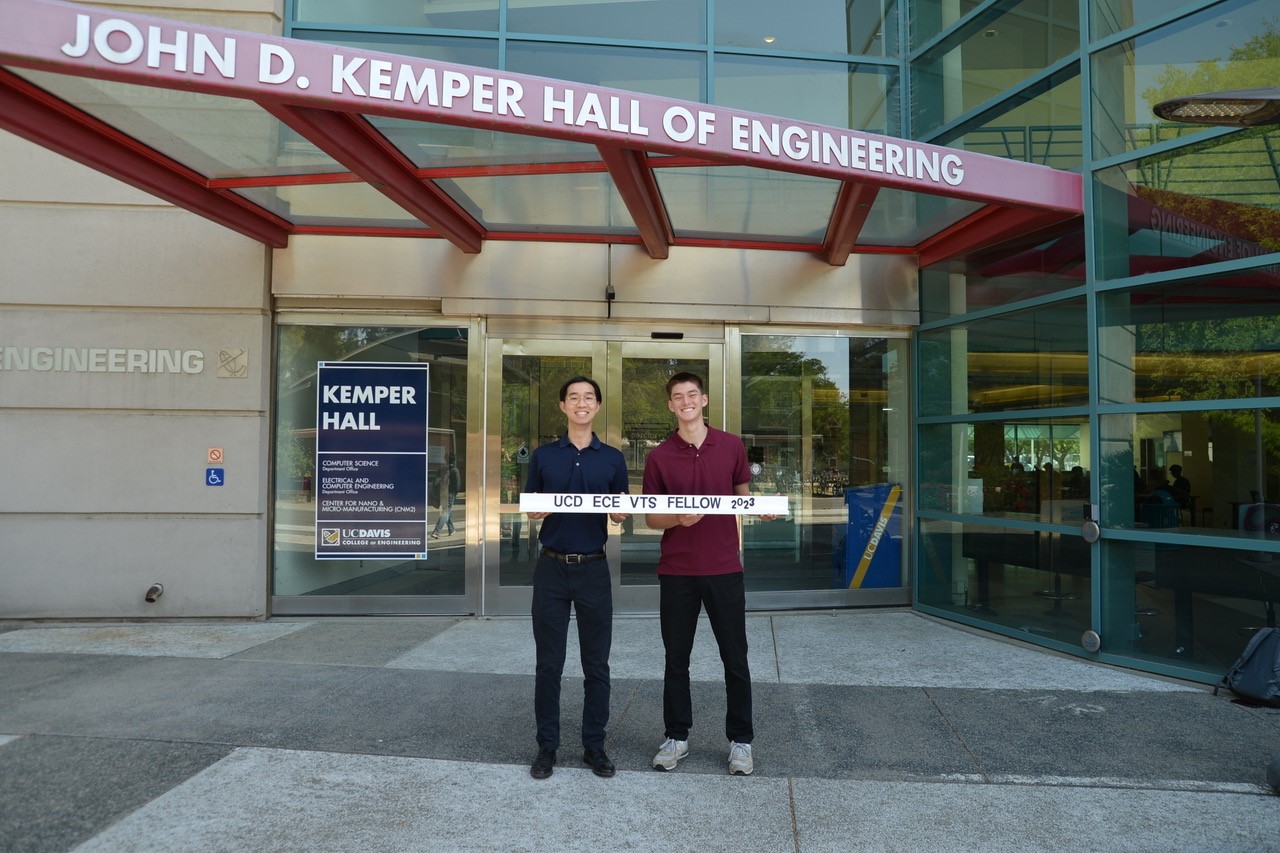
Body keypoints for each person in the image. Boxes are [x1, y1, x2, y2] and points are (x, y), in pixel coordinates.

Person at [643, 371, 769, 777]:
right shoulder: (659, 456)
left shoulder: (731, 446)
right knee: (676, 659)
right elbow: (650, 519)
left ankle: (741, 742)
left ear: (705, 399)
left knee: (735, 659)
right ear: (671, 406)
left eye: (692, 395)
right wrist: (678, 517)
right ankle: (676, 737)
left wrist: (757, 510)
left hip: (724, 568)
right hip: (677, 571)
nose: (686, 402)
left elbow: (742, 500)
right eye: (678, 397)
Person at [523, 376, 629, 780]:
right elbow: (532, 501)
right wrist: (533, 511)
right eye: (573, 398)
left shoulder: (613, 458)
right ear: (563, 406)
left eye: (588, 398)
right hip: (550, 568)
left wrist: (620, 515)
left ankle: (594, 746)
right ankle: (547, 747)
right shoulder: (543, 455)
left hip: (594, 569)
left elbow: (619, 508)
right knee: (548, 665)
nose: (581, 403)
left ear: (597, 406)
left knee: (596, 665)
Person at [429, 452, 460, 539]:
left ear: (445, 459)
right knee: (446, 512)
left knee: (447, 512)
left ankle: (451, 529)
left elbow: (435, 483)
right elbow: (457, 486)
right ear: (454, 460)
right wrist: (453, 494)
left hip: (441, 494)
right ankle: (436, 531)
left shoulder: (441, 470)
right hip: (450, 494)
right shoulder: (455, 470)